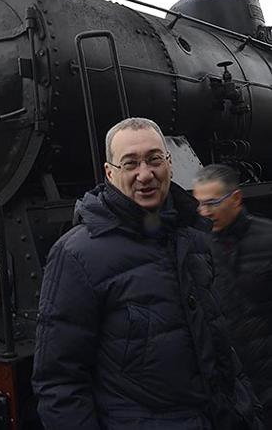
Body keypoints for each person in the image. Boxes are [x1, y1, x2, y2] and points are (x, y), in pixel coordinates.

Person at [32, 117, 262, 429]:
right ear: (110, 173)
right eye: (131, 163)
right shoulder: (76, 254)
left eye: (154, 159)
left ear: (169, 163)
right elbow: (60, 381)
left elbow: (225, 343)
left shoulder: (194, 235)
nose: (145, 174)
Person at [193, 164, 272, 426]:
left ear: (236, 198)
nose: (204, 212)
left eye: (212, 203)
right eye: (199, 204)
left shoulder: (267, 240)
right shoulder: (196, 249)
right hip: (231, 388)